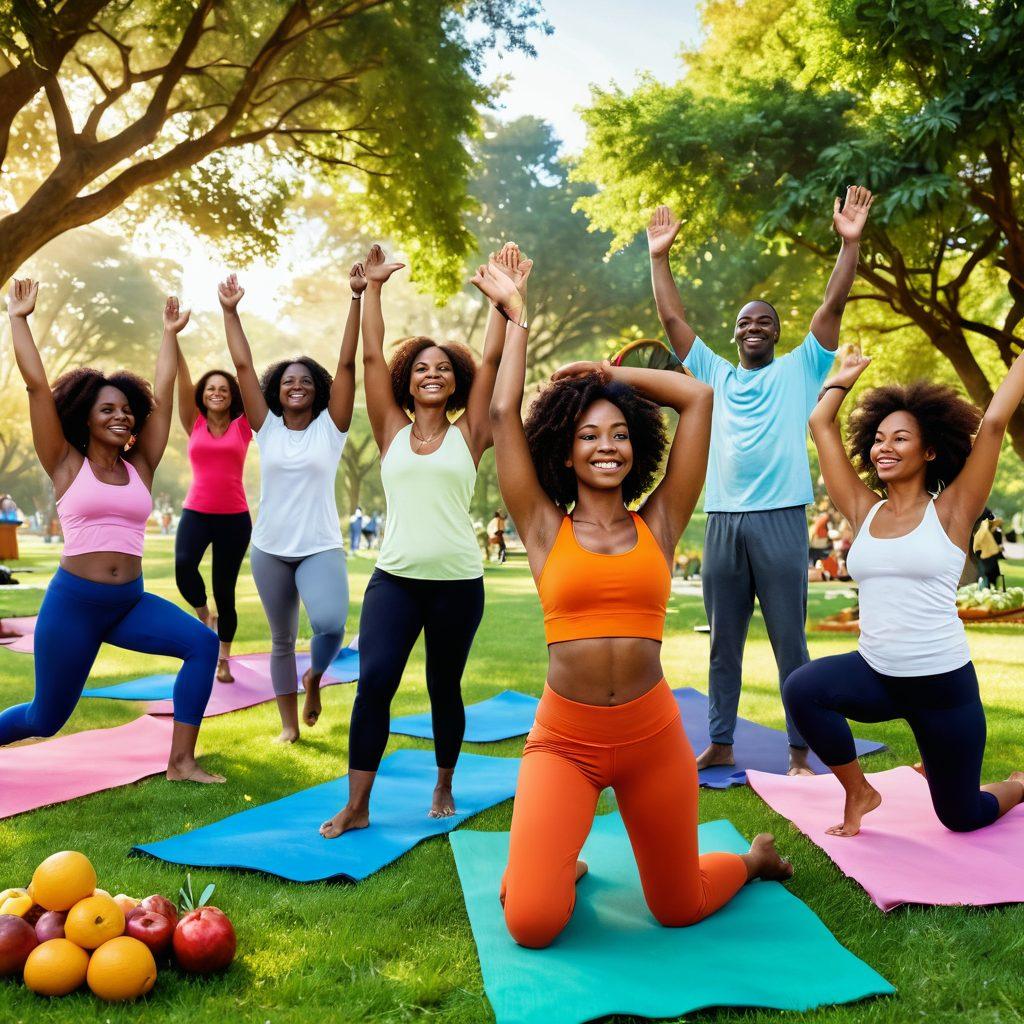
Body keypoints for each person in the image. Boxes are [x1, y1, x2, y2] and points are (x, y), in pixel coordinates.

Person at [466, 259, 792, 948]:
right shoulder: (542, 526)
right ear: (564, 451)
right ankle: (553, 866)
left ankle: (751, 859)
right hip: (564, 742)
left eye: (618, 433)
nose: (606, 445)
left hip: (651, 740)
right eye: (588, 434)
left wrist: (605, 379)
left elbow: (698, 398)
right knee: (530, 923)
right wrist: (516, 316)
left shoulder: (661, 522)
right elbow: (500, 412)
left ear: (636, 446)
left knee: (678, 907)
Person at [647, 186, 874, 775]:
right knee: (723, 643)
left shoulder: (802, 369)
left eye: (765, 322)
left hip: (780, 521)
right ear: (736, 334)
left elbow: (831, 309)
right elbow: (672, 320)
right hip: (722, 523)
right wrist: (659, 258)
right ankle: (720, 741)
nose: (754, 326)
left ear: (776, 334)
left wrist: (848, 245)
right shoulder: (712, 374)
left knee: (789, 645)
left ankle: (800, 750)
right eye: (746, 321)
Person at [320, 242, 521, 837]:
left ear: (453, 383)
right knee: (374, 682)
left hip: (458, 583)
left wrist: (501, 303)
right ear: (409, 384)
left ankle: (444, 782)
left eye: (442, 368)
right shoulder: (390, 430)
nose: (431, 374)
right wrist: (374, 289)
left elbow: (489, 363)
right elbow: (374, 357)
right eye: (422, 368)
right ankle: (358, 805)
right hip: (396, 580)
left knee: (443, 687)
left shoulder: (472, 432)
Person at [782, 349, 1024, 836]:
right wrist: (843, 379)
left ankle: (1018, 783)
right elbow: (819, 424)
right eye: (877, 439)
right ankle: (859, 791)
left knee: (961, 817)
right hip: (878, 677)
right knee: (803, 689)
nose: (883, 448)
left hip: (943, 691)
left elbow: (995, 422)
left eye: (900, 438)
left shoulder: (953, 511)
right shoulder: (862, 509)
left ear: (929, 450)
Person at [1, 280, 222, 782]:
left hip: (130, 602)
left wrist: (170, 335)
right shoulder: (63, 462)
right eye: (108, 409)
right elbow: (38, 386)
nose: (121, 415)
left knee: (202, 644)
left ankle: (181, 763)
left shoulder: (140, 465)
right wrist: (19, 318)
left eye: (126, 409)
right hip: (74, 604)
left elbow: (162, 400)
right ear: (85, 417)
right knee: (44, 718)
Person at [221, 267, 359, 743]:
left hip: (319, 545)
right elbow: (242, 368)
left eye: (305, 380)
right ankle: (288, 727)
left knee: (329, 623)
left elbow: (346, 367)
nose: (296, 385)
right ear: (276, 390)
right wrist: (230, 311)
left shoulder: (331, 428)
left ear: (317, 389)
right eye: (287, 381)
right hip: (270, 548)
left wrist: (356, 298)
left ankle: (315, 678)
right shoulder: (268, 428)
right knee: (281, 640)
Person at [173, 347, 252, 683]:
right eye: (210, 389)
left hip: (235, 517)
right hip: (197, 511)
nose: (216, 393)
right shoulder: (195, 422)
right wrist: (175, 339)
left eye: (223, 388)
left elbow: (246, 373)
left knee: (226, 590)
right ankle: (205, 616)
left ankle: (224, 659)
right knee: (183, 566)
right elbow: (183, 381)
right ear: (201, 397)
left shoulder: (244, 425)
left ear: (232, 395)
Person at [972, 512, 1003, 589]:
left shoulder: (984, 528)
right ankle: (989, 589)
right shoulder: (984, 529)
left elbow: (977, 543)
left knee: (988, 575)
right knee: (988, 575)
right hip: (988, 556)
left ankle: (989, 589)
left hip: (988, 556)